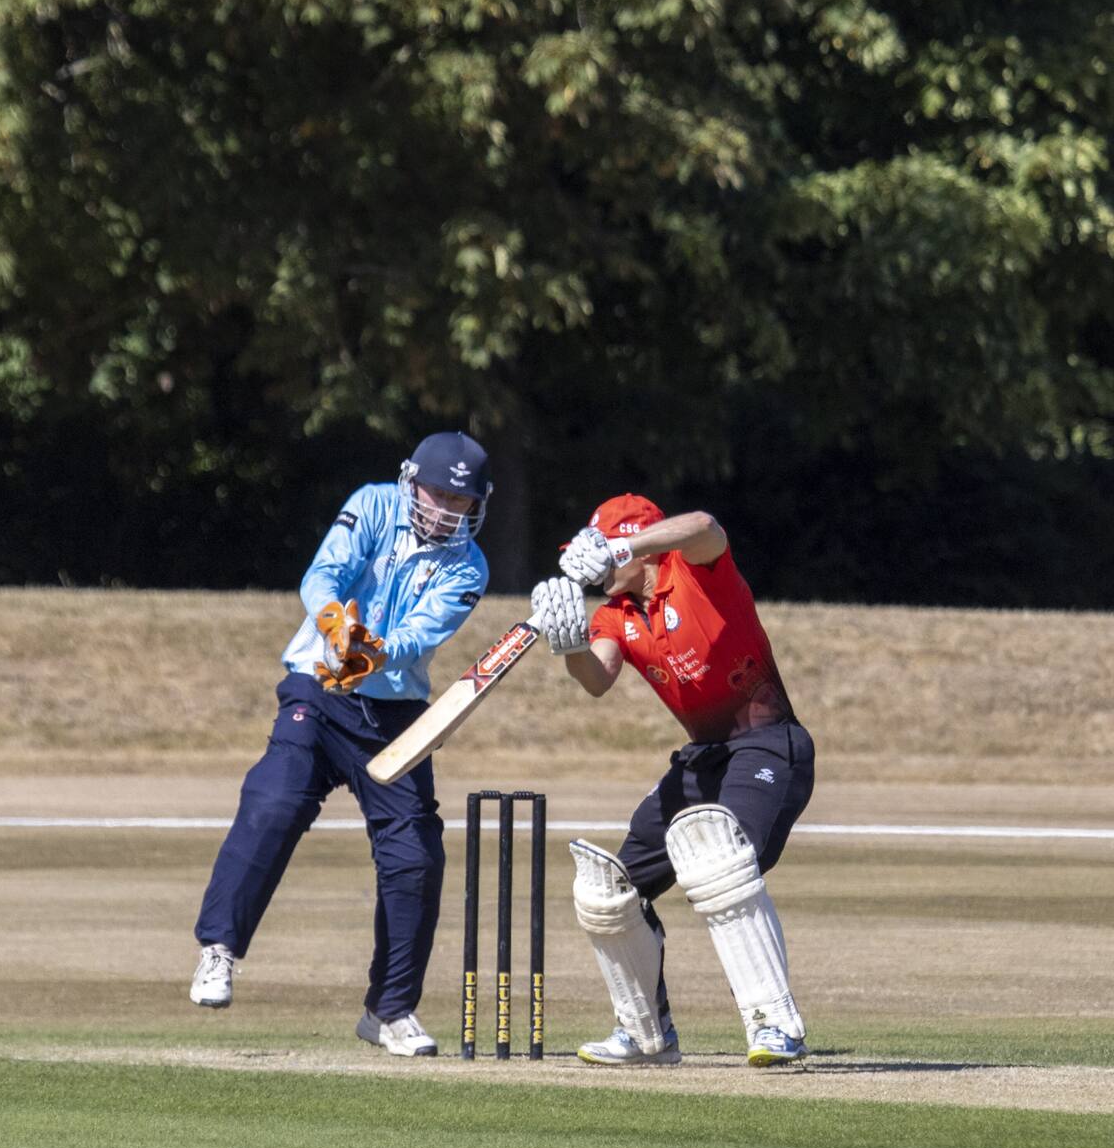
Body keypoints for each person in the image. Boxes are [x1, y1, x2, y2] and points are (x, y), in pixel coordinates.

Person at [189, 431, 491, 1057]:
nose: (445, 509)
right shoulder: (373, 504)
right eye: (437, 493)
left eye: (459, 501)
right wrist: (336, 624)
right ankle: (218, 950)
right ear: (412, 482)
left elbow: (418, 634)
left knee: (414, 854)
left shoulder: (470, 568)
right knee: (272, 803)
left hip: (394, 713)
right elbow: (326, 572)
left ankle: (390, 1010)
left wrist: (375, 652)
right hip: (317, 689)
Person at [530, 494, 815, 1067]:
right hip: (703, 758)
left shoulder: (695, 569)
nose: (596, 568)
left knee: (720, 860)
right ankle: (644, 1036)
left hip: (768, 742)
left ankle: (775, 1026)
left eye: (605, 553)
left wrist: (620, 546)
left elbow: (706, 524)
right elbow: (596, 679)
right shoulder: (617, 614)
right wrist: (569, 644)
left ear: (637, 543)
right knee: (609, 893)